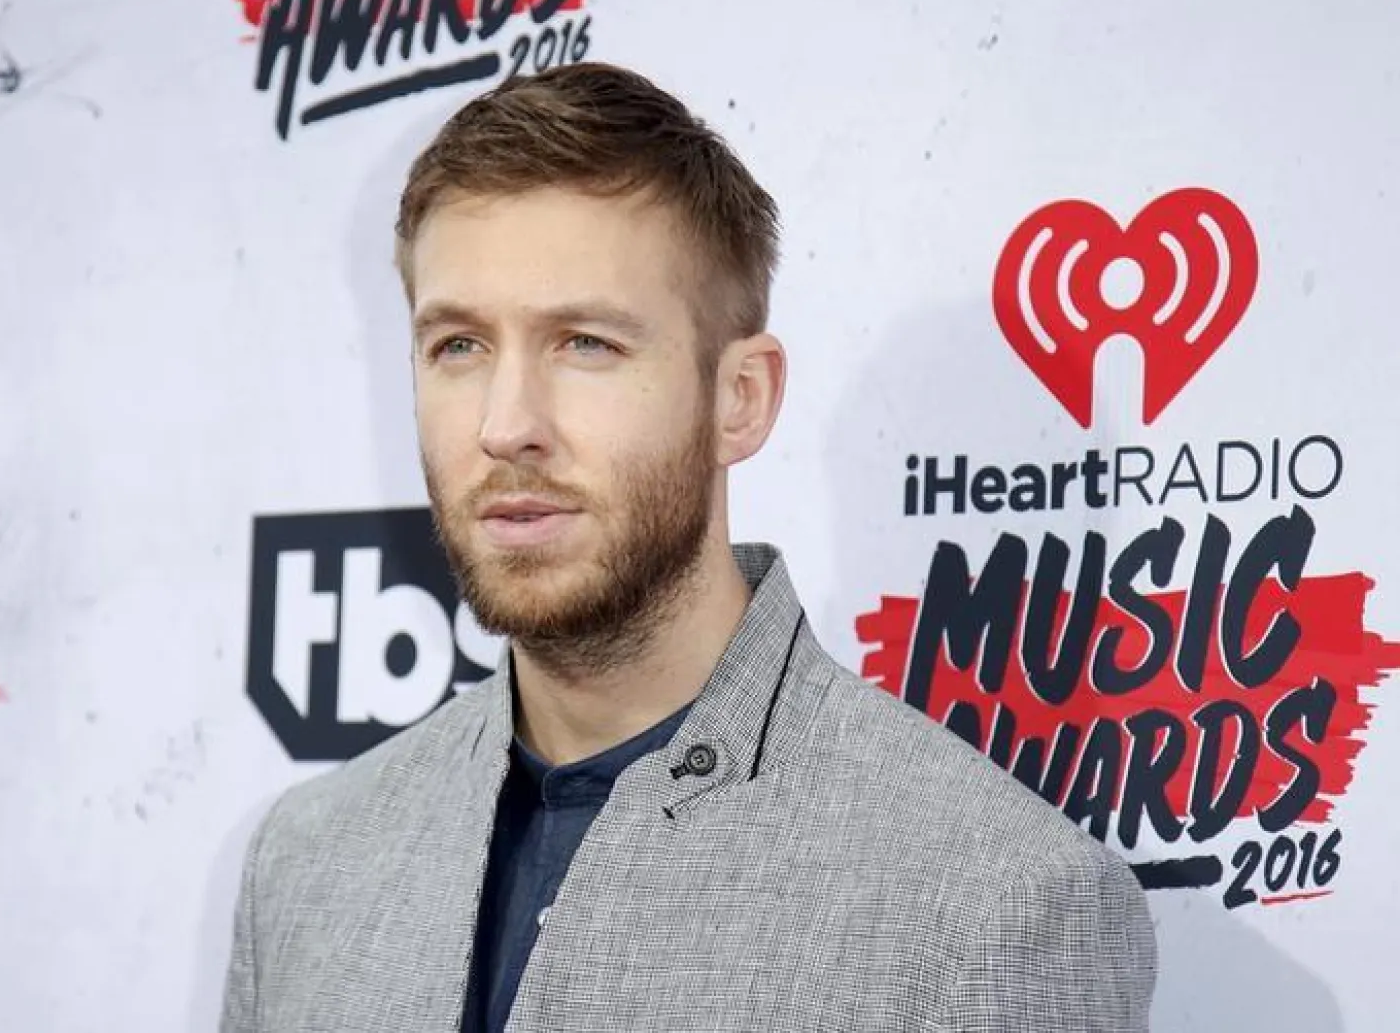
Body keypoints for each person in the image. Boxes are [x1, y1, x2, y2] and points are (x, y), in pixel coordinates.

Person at [219, 62, 1157, 1033]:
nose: (506, 425)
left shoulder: (988, 900)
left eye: (585, 342)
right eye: (459, 345)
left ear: (738, 397)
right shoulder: (306, 864)